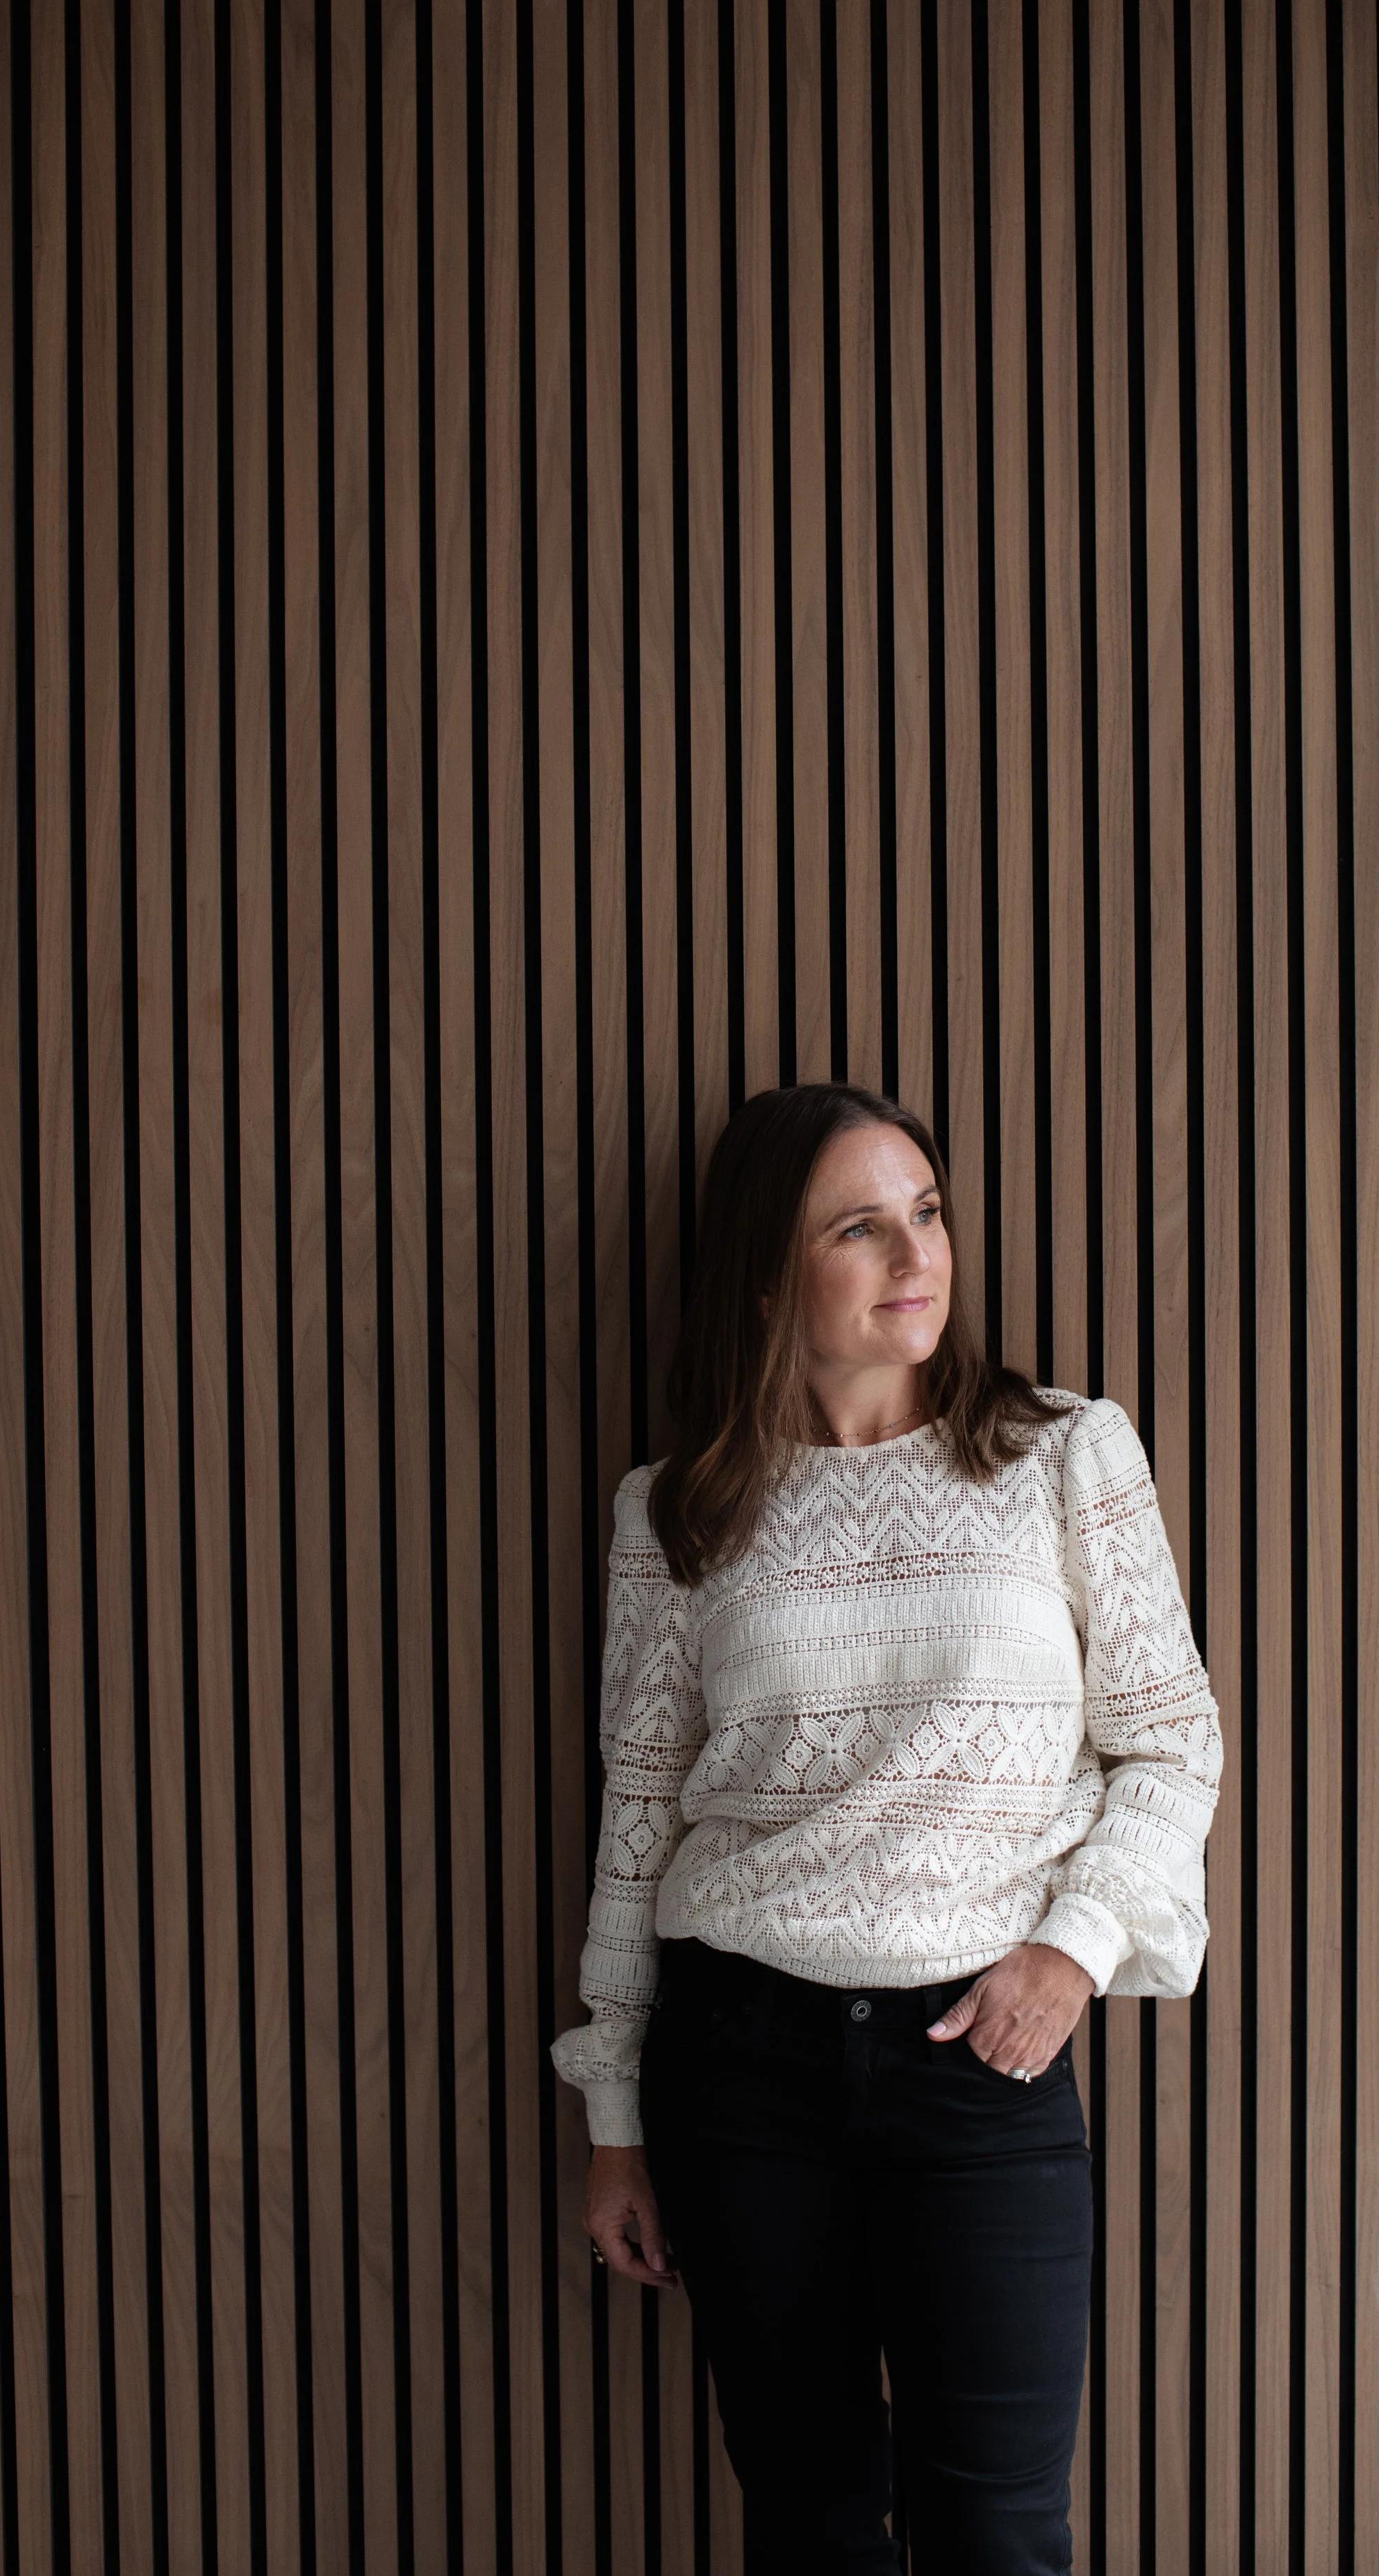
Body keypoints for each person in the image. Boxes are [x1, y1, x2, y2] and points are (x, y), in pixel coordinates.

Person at [550, 1082, 1221, 2576]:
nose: (916, 1253)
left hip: (980, 2067)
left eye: (924, 1211)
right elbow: (641, 1813)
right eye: (859, 1226)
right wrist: (613, 2120)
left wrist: (1069, 1951)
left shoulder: (1058, 1454)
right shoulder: (677, 1512)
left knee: (997, 2536)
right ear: (766, 1269)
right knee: (811, 2532)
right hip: (739, 2070)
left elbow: (1172, 1740)